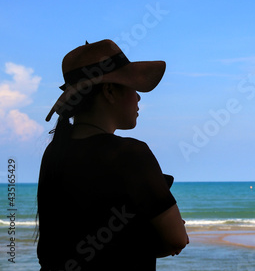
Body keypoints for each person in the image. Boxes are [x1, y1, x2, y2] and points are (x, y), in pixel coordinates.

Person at [37, 39, 188, 271]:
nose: (138, 98)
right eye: (132, 87)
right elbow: (176, 238)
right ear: (108, 91)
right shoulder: (130, 153)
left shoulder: (54, 153)